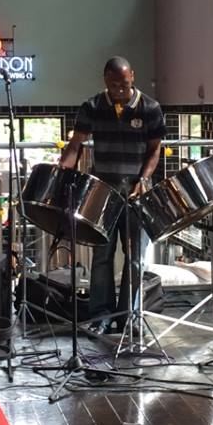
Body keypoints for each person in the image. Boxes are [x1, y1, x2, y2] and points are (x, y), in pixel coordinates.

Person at [59, 56, 165, 342]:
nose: (121, 89)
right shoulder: (92, 107)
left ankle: (130, 317)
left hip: (136, 191)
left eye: (126, 83)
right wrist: (61, 173)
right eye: (115, 84)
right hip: (103, 192)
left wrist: (143, 180)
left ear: (133, 76)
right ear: (105, 79)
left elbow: (155, 150)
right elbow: (75, 144)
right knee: (102, 256)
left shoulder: (150, 108)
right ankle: (102, 317)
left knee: (134, 259)